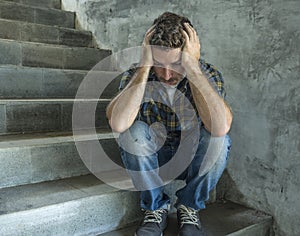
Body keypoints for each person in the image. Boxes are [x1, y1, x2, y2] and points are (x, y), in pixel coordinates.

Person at [106, 12, 233, 236]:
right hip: (153, 158)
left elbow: (220, 128)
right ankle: (155, 208)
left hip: (191, 159)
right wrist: (145, 67)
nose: (166, 75)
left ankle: (189, 206)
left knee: (219, 141)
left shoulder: (208, 74)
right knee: (132, 131)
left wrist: (192, 69)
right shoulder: (139, 74)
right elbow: (117, 123)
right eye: (158, 64)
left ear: (190, 54)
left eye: (176, 63)